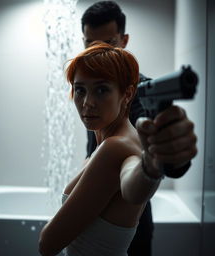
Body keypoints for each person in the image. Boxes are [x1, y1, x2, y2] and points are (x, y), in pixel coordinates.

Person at [38, 43, 197, 256]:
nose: (87, 102)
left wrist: (150, 167)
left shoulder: (115, 147)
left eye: (101, 89)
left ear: (128, 94)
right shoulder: (114, 141)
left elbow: (47, 244)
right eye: (80, 90)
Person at [80, 1, 197, 256]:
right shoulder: (91, 91)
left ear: (124, 40)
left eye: (108, 44)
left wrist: (169, 156)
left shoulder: (138, 93)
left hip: (130, 225)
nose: (99, 53)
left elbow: (155, 146)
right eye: (91, 45)